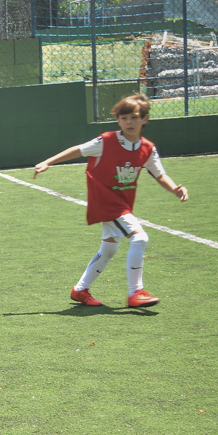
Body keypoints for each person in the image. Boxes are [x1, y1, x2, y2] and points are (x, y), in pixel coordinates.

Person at [34, 93, 188, 308]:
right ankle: (136, 292)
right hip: (107, 201)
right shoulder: (106, 141)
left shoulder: (147, 148)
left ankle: (80, 289)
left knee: (109, 248)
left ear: (145, 119)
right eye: (124, 118)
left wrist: (175, 189)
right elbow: (78, 150)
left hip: (123, 203)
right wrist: (48, 162)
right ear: (118, 120)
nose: (129, 122)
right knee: (140, 238)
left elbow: (159, 174)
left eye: (134, 117)